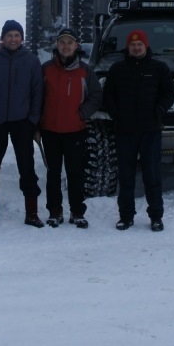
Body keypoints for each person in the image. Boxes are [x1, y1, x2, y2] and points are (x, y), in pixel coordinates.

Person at [101, 28, 174, 232]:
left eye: (139, 44)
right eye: (132, 45)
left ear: (145, 45)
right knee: (126, 176)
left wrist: (159, 110)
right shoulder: (117, 69)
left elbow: (168, 94)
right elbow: (109, 96)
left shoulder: (159, 68)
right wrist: (116, 114)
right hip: (125, 131)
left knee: (152, 175)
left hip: (150, 130)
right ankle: (125, 216)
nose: (135, 47)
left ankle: (156, 216)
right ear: (128, 47)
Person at [0, 19, 44, 228]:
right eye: (9, 35)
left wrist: (33, 120)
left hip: (22, 121)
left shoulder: (32, 61)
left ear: (21, 38)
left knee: (27, 167)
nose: (13, 39)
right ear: (2, 39)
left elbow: (37, 93)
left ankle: (32, 213)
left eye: (16, 35)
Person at [39, 27, 102, 229]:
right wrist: (37, 123)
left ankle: (77, 212)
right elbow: (36, 97)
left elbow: (96, 96)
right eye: (62, 42)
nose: (66, 46)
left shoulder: (85, 71)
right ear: (57, 45)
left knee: (76, 174)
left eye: (70, 42)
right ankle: (55, 212)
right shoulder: (46, 69)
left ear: (77, 46)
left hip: (76, 130)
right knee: (53, 174)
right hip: (50, 131)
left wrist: (82, 114)